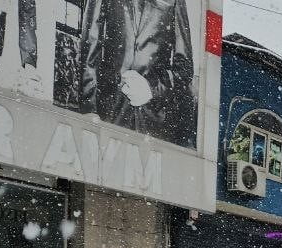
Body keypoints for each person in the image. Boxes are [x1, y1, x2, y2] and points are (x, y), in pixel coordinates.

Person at [79, 0, 197, 147]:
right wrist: (89, 110)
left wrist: (151, 87)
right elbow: (90, 46)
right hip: (108, 112)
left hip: (152, 122)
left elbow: (185, 68)